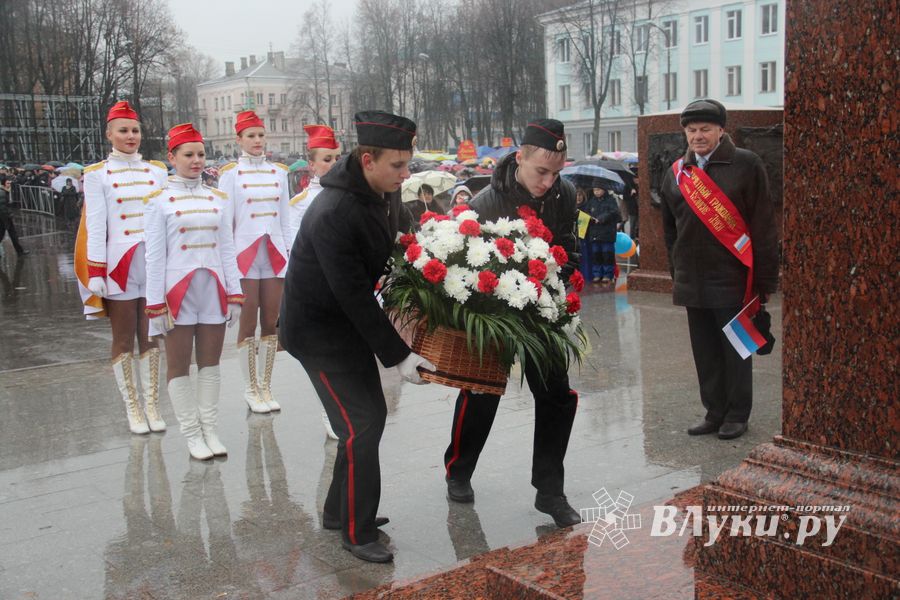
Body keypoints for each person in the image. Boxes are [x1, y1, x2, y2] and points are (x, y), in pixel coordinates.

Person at [279, 110, 435, 563]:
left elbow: (389, 251)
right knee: (361, 424)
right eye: (397, 165)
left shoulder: (382, 191)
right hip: (316, 332)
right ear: (367, 160)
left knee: (367, 420)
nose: (405, 174)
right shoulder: (333, 211)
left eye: (408, 164)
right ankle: (356, 530)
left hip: (345, 326)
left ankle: (337, 511)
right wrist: (400, 356)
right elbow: (352, 295)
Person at [442, 119, 582, 529]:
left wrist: (560, 276)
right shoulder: (485, 203)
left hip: (542, 307)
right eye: (542, 171)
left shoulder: (564, 194)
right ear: (520, 158)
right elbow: (464, 268)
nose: (548, 181)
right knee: (482, 391)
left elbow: (569, 248)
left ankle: (550, 490)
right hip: (495, 310)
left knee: (557, 394)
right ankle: (458, 469)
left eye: (556, 173)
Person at [660, 99, 779, 441]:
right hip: (692, 279)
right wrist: (675, 269)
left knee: (735, 350)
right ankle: (714, 411)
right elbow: (670, 229)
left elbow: (763, 226)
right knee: (705, 352)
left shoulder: (746, 164)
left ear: (721, 130)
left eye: (705, 129)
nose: (698, 136)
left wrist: (765, 281)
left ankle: (738, 414)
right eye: (692, 130)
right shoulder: (676, 173)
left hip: (733, 278)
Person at [143, 123, 244, 460]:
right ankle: (191, 434)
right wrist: (155, 304)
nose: (197, 160)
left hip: (212, 290)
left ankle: (210, 429)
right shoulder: (158, 202)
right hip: (177, 293)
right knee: (178, 365)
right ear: (171, 157)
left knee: (211, 364)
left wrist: (235, 291)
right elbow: (155, 256)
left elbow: (227, 249)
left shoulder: (218, 198)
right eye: (189, 154)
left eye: (200, 154)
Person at [76, 101, 167, 434]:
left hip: (153, 263)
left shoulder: (157, 171)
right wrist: (96, 271)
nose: (131, 136)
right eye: (124, 130)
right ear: (109, 134)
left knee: (152, 336)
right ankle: (133, 408)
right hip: (119, 265)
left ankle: (153, 406)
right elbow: (97, 224)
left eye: (135, 130)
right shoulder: (96, 174)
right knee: (123, 337)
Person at [217, 111, 291, 414]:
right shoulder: (231, 175)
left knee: (271, 322)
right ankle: (250, 388)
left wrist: (289, 259)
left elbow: (285, 220)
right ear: (239, 139)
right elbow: (225, 224)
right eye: (251, 136)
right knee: (247, 324)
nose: (257, 141)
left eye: (261, 135)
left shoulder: (279, 173)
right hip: (244, 256)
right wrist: (228, 268)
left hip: (273, 256)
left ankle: (266, 385)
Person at [286, 124, 342, 440]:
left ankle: (343, 407)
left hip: (345, 290)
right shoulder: (299, 205)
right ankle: (329, 410)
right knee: (325, 355)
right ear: (312, 164)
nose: (332, 164)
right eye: (325, 159)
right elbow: (296, 253)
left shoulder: (352, 199)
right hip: (317, 292)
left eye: (336, 158)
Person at [584, 187, 621, 284]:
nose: (596, 192)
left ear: (604, 190)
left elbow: (615, 213)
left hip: (607, 234)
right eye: (594, 190)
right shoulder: (591, 201)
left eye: (598, 189)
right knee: (596, 254)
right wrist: (590, 218)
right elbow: (586, 212)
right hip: (594, 233)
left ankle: (608, 274)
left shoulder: (611, 200)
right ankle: (597, 274)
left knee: (607, 254)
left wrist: (602, 218)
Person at [0, 177, 29, 255]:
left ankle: (20, 251)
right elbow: (3, 208)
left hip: (6, 218)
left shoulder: (6, 191)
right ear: (3, 184)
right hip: (4, 219)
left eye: (10, 183)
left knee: (13, 235)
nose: (9, 185)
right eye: (8, 183)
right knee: (5, 235)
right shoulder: (2, 193)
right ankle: (20, 251)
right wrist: (8, 216)